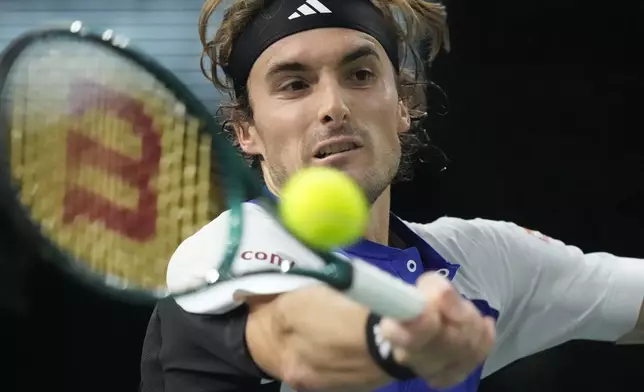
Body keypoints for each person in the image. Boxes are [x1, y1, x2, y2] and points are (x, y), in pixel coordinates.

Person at [139, 0, 644, 391]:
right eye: (295, 84)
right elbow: (291, 335)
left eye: (360, 75)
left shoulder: (481, 263)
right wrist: (392, 339)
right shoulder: (220, 252)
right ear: (246, 131)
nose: (333, 106)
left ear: (403, 105)